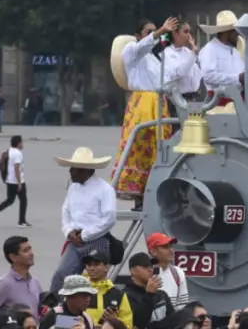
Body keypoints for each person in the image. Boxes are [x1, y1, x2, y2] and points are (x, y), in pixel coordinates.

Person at [110, 17, 180, 207]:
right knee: (139, 146)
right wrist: (159, 33)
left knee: (159, 148)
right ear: (138, 35)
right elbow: (141, 47)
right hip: (142, 104)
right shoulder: (132, 52)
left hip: (160, 104)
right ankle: (138, 196)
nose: (153, 35)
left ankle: (154, 190)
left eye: (154, 31)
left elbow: (171, 78)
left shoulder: (156, 59)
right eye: (148, 32)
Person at [51, 147, 118, 292]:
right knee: (61, 276)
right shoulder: (73, 188)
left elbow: (109, 218)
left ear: (85, 170)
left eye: (73, 168)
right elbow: (65, 212)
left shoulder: (104, 189)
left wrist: (85, 235)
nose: (70, 171)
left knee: (96, 281)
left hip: (97, 240)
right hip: (74, 241)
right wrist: (69, 231)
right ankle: (56, 309)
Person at [0, 236, 43, 329]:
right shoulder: (5, 283)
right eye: (26, 250)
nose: (31, 253)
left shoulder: (35, 281)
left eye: (30, 248)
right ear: (13, 257)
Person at [199, 10, 245, 112]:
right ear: (226, 32)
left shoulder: (235, 50)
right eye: (235, 31)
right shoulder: (210, 49)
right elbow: (208, 76)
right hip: (218, 104)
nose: (238, 34)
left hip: (237, 102)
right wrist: (238, 78)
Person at [81, 249, 135, 329]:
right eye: (89, 265)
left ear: (106, 267)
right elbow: (62, 319)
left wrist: (115, 321)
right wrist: (81, 326)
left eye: (96, 264)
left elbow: (129, 327)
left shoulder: (118, 295)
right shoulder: (77, 292)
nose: (91, 268)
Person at [0, 134, 30, 227]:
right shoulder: (18, 153)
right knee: (23, 200)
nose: (23, 144)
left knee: (9, 200)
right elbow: (17, 168)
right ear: (18, 143)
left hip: (9, 180)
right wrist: (19, 183)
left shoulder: (9, 151)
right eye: (22, 142)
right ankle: (21, 221)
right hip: (16, 181)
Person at [147, 232, 190, 310]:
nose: (171, 250)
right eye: (165, 247)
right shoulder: (145, 274)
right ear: (153, 251)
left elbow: (182, 308)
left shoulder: (178, 273)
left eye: (171, 246)